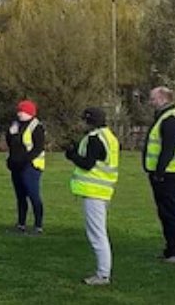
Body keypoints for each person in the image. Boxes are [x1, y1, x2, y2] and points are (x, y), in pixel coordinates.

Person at [66, 107, 120, 286]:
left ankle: (103, 274)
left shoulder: (95, 139)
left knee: (97, 234)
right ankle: (103, 272)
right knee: (99, 232)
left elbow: (87, 164)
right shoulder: (109, 137)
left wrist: (72, 155)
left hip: (94, 191)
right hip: (103, 190)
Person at [145, 86, 175, 263]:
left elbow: (168, 149)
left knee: (172, 213)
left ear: (163, 99)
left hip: (169, 174)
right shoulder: (164, 117)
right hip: (165, 173)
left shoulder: (170, 119)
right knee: (165, 213)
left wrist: (159, 172)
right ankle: (170, 249)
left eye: (153, 98)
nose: (151, 102)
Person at [5, 100, 45, 235]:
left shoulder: (36, 127)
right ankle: (21, 224)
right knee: (20, 196)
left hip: (31, 166)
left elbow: (38, 148)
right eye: (18, 111)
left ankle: (38, 225)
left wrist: (25, 160)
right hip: (16, 165)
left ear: (29, 113)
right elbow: (11, 144)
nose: (19, 114)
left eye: (22, 111)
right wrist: (10, 134)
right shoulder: (15, 125)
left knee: (34, 195)